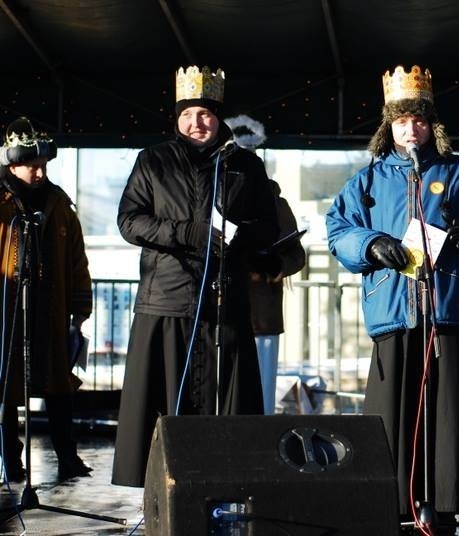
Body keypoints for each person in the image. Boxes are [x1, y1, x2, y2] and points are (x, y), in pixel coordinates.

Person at [326, 65, 459, 531]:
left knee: (447, 417)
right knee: (393, 417)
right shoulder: (367, 181)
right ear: (388, 127)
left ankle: (445, 503)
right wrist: (371, 244)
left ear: (433, 125)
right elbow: (338, 230)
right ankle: (393, 504)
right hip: (394, 313)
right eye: (401, 121)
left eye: (418, 120)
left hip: (445, 312)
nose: (411, 129)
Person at [111, 66, 279, 487]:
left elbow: (267, 227)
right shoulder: (153, 160)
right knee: (164, 400)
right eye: (188, 115)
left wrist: (240, 240)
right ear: (176, 119)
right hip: (166, 300)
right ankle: (161, 487)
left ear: (219, 117)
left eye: (204, 114)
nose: (196, 123)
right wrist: (187, 232)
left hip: (224, 301)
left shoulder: (245, 164)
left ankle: (226, 483)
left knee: (228, 402)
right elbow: (130, 222)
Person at [0, 117, 93, 482]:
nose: (39, 174)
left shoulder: (59, 205)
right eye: (31, 167)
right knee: (6, 386)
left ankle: (67, 457)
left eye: (43, 167)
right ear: (12, 163)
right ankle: (11, 461)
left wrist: (80, 310)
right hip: (6, 311)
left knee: (58, 385)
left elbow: (77, 260)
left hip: (50, 309)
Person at [224, 114, 307, 414]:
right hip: (219, 311)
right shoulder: (211, 198)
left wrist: (276, 264)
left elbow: (296, 255)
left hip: (262, 315)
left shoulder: (275, 203)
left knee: (261, 398)